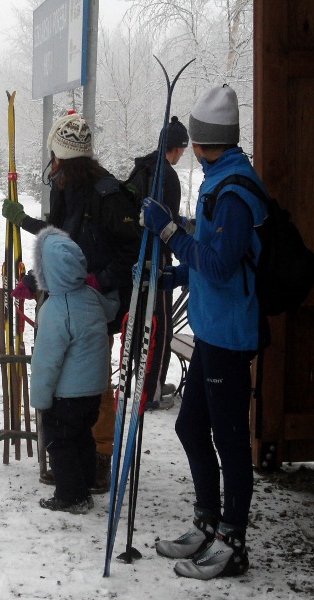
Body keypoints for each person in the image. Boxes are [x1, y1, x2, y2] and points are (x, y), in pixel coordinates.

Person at [139, 84, 266, 580]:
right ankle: (207, 523)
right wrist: (171, 272)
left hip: (229, 337)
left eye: (194, 137)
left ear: (204, 141)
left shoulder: (234, 190)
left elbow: (218, 263)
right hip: (212, 329)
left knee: (231, 440)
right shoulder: (220, 179)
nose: (190, 145)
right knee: (190, 426)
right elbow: (209, 257)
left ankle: (231, 544)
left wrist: (171, 234)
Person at [2, 111, 142, 493]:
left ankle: (97, 457)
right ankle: (73, 458)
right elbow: (60, 243)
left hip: (100, 303)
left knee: (93, 378)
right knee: (74, 377)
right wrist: (36, 280)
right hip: (71, 297)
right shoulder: (66, 189)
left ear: (61, 156)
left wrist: (102, 281)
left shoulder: (106, 195)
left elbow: (134, 249)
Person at [29, 226, 113, 514]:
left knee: (61, 443)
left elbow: (46, 360)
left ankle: (70, 495)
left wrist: (40, 398)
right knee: (83, 438)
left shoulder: (55, 309)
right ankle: (86, 481)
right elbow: (110, 310)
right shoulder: (90, 296)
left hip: (67, 395)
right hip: (94, 391)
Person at [126, 116, 189, 411]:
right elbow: (168, 221)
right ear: (176, 149)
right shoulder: (168, 176)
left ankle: (141, 383)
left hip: (135, 258)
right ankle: (150, 391)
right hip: (157, 260)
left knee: (140, 325)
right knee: (160, 327)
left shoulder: (142, 168)